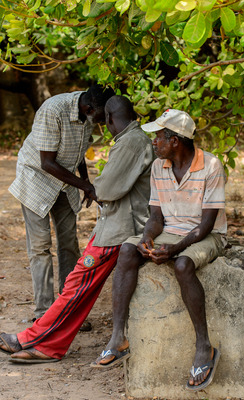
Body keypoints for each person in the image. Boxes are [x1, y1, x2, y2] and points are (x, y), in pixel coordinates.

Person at [0, 95, 154, 363]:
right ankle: (48, 341)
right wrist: (88, 185)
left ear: (107, 119)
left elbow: (105, 190)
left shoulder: (130, 143)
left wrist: (90, 185)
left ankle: (31, 339)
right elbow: (49, 163)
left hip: (119, 230)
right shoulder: (131, 138)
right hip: (43, 187)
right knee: (67, 274)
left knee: (76, 284)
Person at [93, 109, 227, 391]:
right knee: (128, 251)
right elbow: (156, 218)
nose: (154, 143)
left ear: (175, 140)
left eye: (158, 137)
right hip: (171, 230)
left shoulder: (211, 166)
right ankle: (118, 338)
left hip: (206, 235)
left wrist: (176, 248)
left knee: (182, 265)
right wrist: (147, 238)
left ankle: (204, 347)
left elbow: (205, 226)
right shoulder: (159, 167)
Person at [8, 85, 115, 320]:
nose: (103, 122)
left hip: (65, 182)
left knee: (68, 243)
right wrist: (86, 187)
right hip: (36, 178)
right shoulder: (53, 110)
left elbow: (79, 152)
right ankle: (44, 314)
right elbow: (47, 162)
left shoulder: (88, 114)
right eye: (101, 116)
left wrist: (85, 180)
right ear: (88, 109)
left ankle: (68, 308)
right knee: (40, 248)